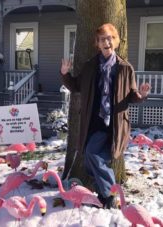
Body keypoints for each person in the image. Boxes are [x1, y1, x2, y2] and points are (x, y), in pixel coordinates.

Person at [60, 23, 151, 209]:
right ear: (98, 44)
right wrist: (65, 74)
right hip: (95, 121)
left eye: (109, 38)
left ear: (115, 41)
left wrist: (141, 95)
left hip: (115, 123)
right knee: (90, 155)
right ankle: (108, 193)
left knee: (94, 155)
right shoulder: (90, 66)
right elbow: (76, 86)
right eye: (102, 39)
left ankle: (108, 194)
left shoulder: (125, 68)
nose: (106, 42)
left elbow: (132, 95)